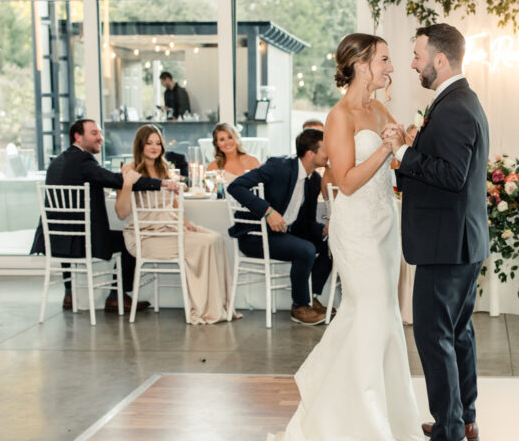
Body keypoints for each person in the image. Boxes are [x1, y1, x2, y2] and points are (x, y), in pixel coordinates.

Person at [257, 33, 422, 441]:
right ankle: (357, 419)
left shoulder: (378, 109)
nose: (390, 67)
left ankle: (386, 415)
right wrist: (386, 146)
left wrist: (407, 139)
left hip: (385, 223)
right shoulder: (338, 116)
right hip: (358, 229)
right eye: (384, 59)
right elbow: (345, 182)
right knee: (368, 313)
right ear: (362, 64)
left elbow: (400, 157)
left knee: (383, 316)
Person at [386, 23, 490, 441]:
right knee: (457, 332)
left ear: (440, 59)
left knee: (434, 336)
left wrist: (403, 154)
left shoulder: (454, 108)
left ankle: (449, 437)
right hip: (458, 240)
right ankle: (463, 419)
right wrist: (415, 147)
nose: (413, 63)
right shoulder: (458, 101)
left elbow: (451, 175)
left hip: (444, 243)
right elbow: (450, 165)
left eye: (417, 55)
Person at [30, 119, 177, 313]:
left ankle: (70, 293)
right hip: (81, 241)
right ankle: (117, 296)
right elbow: (117, 179)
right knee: (128, 239)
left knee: (72, 229)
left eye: (100, 133)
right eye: (94, 133)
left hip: (56, 239)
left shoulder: (57, 162)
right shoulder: (84, 161)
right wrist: (161, 183)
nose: (100, 138)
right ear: (78, 136)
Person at [115, 125, 236, 324]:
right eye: (149, 143)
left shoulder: (164, 168)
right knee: (205, 243)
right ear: (140, 145)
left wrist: (186, 223)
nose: (154, 147)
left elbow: (174, 203)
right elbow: (121, 213)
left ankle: (220, 304)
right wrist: (127, 184)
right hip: (145, 237)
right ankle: (203, 308)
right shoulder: (129, 170)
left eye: (158, 143)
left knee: (216, 238)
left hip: (170, 228)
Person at [227, 128, 333, 326]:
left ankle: (311, 297)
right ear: (311, 153)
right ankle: (299, 307)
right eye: (326, 149)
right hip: (255, 236)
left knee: (332, 243)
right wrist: (267, 212)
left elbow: (307, 223)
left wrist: (326, 230)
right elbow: (235, 186)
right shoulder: (279, 166)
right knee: (306, 250)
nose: (331, 153)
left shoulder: (314, 181)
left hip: (283, 234)